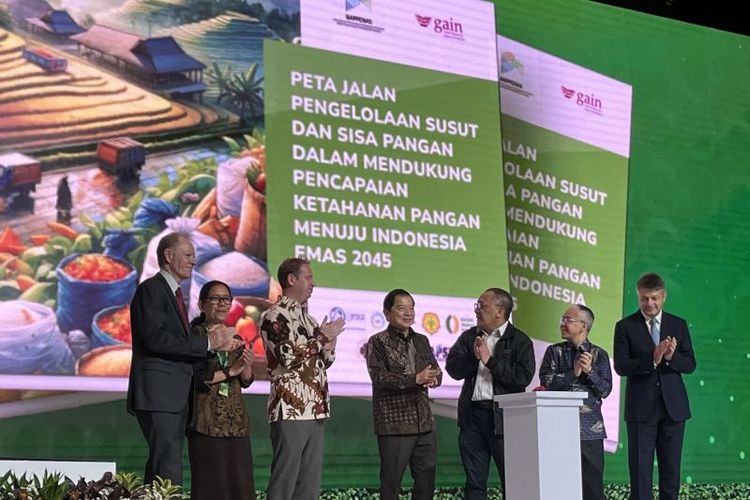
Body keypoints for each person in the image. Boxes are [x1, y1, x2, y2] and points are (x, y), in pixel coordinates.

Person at [127, 232, 242, 486]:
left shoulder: (174, 292)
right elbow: (156, 339)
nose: (193, 261)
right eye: (188, 255)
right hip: (160, 395)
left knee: (163, 466)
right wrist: (209, 343)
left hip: (173, 396)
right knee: (167, 468)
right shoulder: (151, 289)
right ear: (169, 256)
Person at [259, 257, 346, 499]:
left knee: (309, 482)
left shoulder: (310, 320)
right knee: (285, 481)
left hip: (315, 408)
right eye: (308, 277)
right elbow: (287, 357)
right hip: (290, 408)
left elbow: (323, 363)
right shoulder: (274, 316)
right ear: (291, 279)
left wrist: (330, 345)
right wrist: (320, 339)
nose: (313, 283)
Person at [445, 288, 535, 499]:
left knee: (512, 480)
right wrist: (474, 358)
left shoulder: (519, 340)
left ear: (499, 311)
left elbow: (522, 378)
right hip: (472, 418)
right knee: (474, 483)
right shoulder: (469, 337)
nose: (476, 310)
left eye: (481, 305)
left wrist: (490, 361)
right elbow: (453, 369)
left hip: (505, 420)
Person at [614, 273, 696, 500]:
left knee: (671, 473)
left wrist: (671, 357)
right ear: (638, 297)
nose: (649, 303)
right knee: (640, 474)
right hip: (641, 410)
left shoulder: (678, 324)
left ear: (663, 297)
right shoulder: (625, 326)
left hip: (674, 410)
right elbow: (621, 366)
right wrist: (653, 358)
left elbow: (690, 364)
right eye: (644, 298)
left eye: (654, 298)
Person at [366, 289, 442, 500]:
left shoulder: (421, 340)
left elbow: (435, 369)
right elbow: (380, 378)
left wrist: (435, 378)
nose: (408, 313)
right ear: (387, 313)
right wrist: (415, 379)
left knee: (426, 483)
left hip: (424, 424)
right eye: (402, 308)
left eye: (411, 308)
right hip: (395, 425)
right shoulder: (377, 342)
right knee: (391, 484)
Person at [187, 280, 256, 500]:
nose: (222, 303)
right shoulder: (195, 337)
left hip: (236, 421)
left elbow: (245, 380)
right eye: (215, 298)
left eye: (226, 299)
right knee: (212, 486)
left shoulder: (235, 335)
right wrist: (229, 372)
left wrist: (246, 365)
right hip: (207, 422)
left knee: (240, 486)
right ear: (201, 304)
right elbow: (197, 378)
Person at [539, 304, 612, 500]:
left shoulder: (599, 354)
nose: (562, 324)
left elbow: (605, 390)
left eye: (568, 320)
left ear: (583, 326)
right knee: (559, 485)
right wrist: (574, 373)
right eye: (562, 320)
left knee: (592, 487)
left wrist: (590, 371)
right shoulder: (554, 351)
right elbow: (546, 383)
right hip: (557, 429)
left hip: (590, 429)